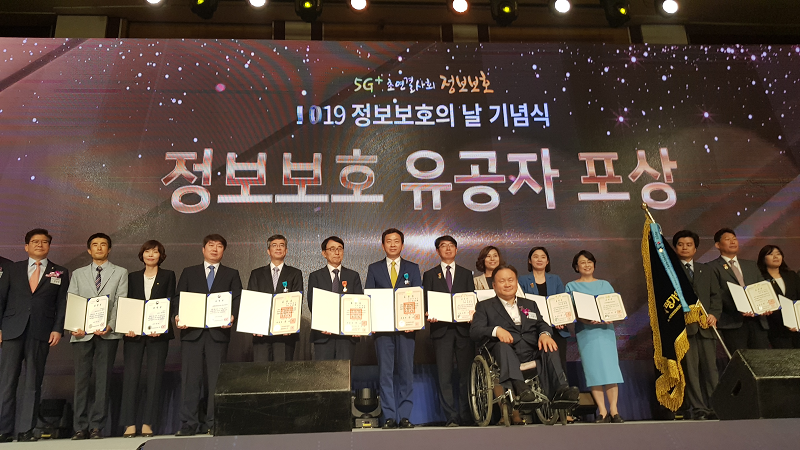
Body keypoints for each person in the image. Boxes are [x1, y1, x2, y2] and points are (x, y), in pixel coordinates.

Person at [470, 265, 578, 403]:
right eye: (502, 281)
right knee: (502, 346)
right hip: (505, 352)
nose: (507, 284)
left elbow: (541, 323)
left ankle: (562, 389)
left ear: (516, 283)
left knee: (549, 345)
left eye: (511, 280)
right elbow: (475, 331)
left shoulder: (529, 304)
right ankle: (521, 390)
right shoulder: (484, 306)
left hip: (531, 349)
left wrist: (544, 334)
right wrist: (496, 330)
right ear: (494, 285)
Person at [0, 229, 69, 442]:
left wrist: (57, 329)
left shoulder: (60, 272)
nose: (39, 244)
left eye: (44, 241)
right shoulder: (12, 269)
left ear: (49, 246)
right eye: (35, 241)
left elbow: (62, 304)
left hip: (41, 331)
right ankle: (3, 429)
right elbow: (1, 298)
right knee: (7, 381)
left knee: (33, 382)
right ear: (26, 246)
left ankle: (26, 430)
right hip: (12, 330)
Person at [173, 234, 241, 436]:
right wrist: (177, 315)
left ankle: (213, 422)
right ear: (203, 249)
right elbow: (178, 298)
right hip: (192, 333)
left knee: (216, 380)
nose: (215, 249)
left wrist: (232, 315)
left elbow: (237, 299)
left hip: (218, 333)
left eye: (219, 246)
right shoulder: (189, 272)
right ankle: (189, 423)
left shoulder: (231, 273)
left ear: (223, 251)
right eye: (211, 245)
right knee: (190, 379)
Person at [68, 233, 128, 439]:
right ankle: (79, 426)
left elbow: (120, 301)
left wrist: (111, 325)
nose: (99, 248)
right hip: (82, 333)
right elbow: (72, 300)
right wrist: (75, 325)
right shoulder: (78, 274)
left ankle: (96, 426)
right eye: (95, 245)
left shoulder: (120, 272)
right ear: (89, 250)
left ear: (109, 249)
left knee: (103, 380)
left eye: (103, 245)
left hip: (107, 334)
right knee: (81, 381)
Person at [365, 228, 422, 429]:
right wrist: (371, 323)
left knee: (406, 372)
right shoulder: (374, 268)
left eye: (396, 241)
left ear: (402, 245)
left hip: (407, 330)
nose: (392, 244)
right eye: (388, 241)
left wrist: (414, 322)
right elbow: (369, 298)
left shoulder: (412, 268)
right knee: (385, 374)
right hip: (383, 330)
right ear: (383, 245)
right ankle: (389, 416)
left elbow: (417, 296)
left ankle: (405, 416)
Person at [120, 240, 176, 438]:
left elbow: (171, 301)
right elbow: (126, 303)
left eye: (155, 251)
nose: (151, 255)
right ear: (142, 255)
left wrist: (161, 326)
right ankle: (129, 423)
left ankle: (148, 423)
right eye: (147, 251)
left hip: (158, 335)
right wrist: (127, 326)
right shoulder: (132, 277)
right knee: (131, 377)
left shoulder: (168, 275)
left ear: (161, 255)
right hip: (134, 334)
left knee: (154, 378)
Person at [565, 250, 624, 423]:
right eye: (582, 262)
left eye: (589, 261)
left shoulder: (605, 284)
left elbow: (614, 306)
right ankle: (602, 411)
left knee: (610, 370)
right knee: (593, 371)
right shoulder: (571, 286)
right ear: (576, 267)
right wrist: (585, 319)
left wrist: (610, 316)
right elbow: (570, 310)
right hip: (586, 332)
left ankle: (614, 410)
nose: (586, 265)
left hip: (606, 331)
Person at [422, 235, 475, 427]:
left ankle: (466, 414)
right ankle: (451, 416)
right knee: (444, 376)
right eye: (443, 246)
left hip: (463, 330)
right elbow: (426, 300)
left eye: (451, 245)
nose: (448, 249)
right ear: (437, 251)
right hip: (441, 330)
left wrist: (472, 312)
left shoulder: (466, 273)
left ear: (456, 249)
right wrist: (429, 312)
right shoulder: (430, 274)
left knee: (465, 375)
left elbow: (471, 299)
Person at [673, 230, 721, 420]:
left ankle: (716, 406)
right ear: (675, 248)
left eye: (689, 244)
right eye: (680, 244)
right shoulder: (670, 271)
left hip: (706, 327)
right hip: (685, 329)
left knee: (711, 370)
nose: (685, 248)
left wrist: (714, 314)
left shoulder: (706, 270)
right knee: (691, 372)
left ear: (695, 248)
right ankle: (699, 408)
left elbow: (716, 296)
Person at [708, 228, 769, 353]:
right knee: (740, 359)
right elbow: (717, 293)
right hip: (733, 322)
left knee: (761, 359)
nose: (732, 242)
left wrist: (766, 305)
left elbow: (762, 287)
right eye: (727, 239)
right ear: (718, 245)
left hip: (757, 321)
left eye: (734, 239)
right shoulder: (711, 267)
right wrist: (741, 307)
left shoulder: (750, 265)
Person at [247, 234, 304, 362]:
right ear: (268, 251)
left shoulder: (295, 273)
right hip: (261, 332)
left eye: (281, 245)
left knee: (282, 371)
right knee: (261, 370)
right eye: (274, 245)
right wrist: (254, 325)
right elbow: (252, 301)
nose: (278, 248)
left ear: (286, 250)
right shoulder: (256, 273)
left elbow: (297, 301)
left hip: (285, 333)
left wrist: (290, 325)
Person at [307, 236, 363, 360]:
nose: (337, 252)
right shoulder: (315, 276)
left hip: (347, 336)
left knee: (344, 371)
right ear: (324, 253)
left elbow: (358, 302)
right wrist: (323, 323)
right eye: (332, 249)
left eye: (340, 249)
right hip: (323, 335)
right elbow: (312, 303)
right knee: (324, 371)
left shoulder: (353, 276)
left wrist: (357, 326)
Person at [518, 246, 569, 371]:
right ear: (530, 261)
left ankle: (562, 384)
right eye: (535, 257)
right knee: (540, 366)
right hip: (534, 329)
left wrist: (561, 319)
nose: (539, 259)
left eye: (543, 257)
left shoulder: (555, 279)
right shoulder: (522, 280)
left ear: (547, 261)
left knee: (560, 364)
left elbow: (562, 302)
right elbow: (521, 305)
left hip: (557, 328)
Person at [757, 244, 800, 348]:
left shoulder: (791, 275)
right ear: (763, 259)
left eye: (778, 254)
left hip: (796, 326)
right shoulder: (760, 279)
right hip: (775, 327)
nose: (775, 257)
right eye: (771, 254)